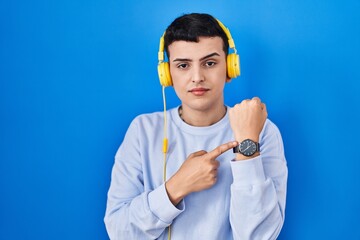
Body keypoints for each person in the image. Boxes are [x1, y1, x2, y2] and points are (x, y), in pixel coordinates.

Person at [104, 13, 288, 240]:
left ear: (230, 68)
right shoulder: (143, 130)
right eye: (183, 65)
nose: (197, 77)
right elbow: (119, 231)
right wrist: (177, 186)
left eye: (209, 63)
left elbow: (260, 236)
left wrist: (247, 145)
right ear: (167, 74)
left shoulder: (263, 131)